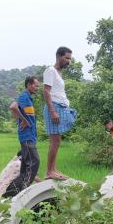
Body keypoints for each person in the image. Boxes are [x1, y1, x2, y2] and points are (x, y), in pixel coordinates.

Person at [2, 76, 40, 198]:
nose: (37, 88)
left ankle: (11, 193)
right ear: (28, 85)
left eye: (38, 86)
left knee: (26, 166)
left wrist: (22, 119)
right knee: (34, 162)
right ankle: (21, 192)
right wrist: (23, 120)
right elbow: (12, 107)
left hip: (30, 136)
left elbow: (14, 109)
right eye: (36, 85)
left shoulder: (28, 98)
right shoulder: (24, 96)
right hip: (26, 136)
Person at [43, 46, 77, 180]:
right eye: (66, 58)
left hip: (60, 107)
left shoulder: (59, 73)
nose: (68, 61)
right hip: (54, 108)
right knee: (55, 141)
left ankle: (53, 169)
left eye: (70, 59)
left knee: (57, 141)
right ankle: (49, 171)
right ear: (58, 56)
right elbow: (46, 91)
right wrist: (52, 111)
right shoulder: (50, 70)